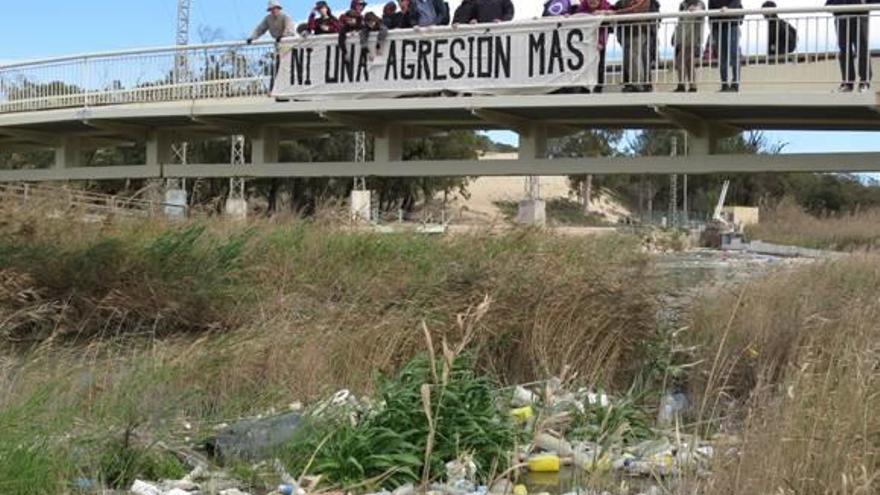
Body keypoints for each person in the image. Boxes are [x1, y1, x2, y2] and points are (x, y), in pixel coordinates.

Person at [826, 0, 877, 92]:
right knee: (844, 51)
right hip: (841, 19)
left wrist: (863, 3)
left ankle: (864, 82)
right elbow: (828, 5)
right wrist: (837, 7)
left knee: (862, 49)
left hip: (860, 17)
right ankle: (848, 83)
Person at [574, 0, 613, 93]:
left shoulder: (606, 6)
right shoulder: (581, 8)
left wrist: (601, 43)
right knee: (584, 65)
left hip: (599, 41)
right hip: (586, 43)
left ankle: (598, 87)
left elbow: (606, 29)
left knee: (599, 65)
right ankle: (584, 87)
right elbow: (574, 19)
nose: (592, 2)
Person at [613, 0, 652, 93]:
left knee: (634, 57)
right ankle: (634, 83)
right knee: (629, 59)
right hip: (626, 32)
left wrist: (614, 13)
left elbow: (635, 10)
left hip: (637, 31)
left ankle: (637, 85)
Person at [708, 0, 743, 92]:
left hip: (732, 24)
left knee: (734, 53)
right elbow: (710, 8)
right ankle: (724, 84)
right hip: (717, 26)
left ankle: (735, 84)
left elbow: (737, 2)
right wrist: (711, 26)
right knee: (722, 56)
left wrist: (728, 9)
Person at [673, 0, 705, 92]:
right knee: (689, 62)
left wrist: (696, 9)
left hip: (693, 38)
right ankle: (692, 86)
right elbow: (680, 22)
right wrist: (676, 37)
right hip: (683, 37)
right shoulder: (683, 4)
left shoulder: (699, 3)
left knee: (680, 59)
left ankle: (682, 85)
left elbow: (701, 11)